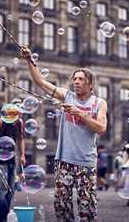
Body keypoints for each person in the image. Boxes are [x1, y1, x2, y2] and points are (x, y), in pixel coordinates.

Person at [21, 46, 108, 222]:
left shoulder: (99, 103)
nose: (76, 81)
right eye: (74, 78)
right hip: (64, 161)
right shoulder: (67, 96)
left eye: (81, 79)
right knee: (61, 206)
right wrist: (29, 60)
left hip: (86, 162)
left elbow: (101, 128)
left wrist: (80, 113)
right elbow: (40, 82)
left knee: (87, 207)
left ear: (90, 84)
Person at [0, 108, 26, 222]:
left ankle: (4, 215)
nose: (20, 116)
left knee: (11, 190)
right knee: (2, 190)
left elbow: (21, 139)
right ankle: (1, 218)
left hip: (12, 159)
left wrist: (22, 155)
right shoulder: (0, 122)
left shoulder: (19, 123)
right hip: (0, 160)